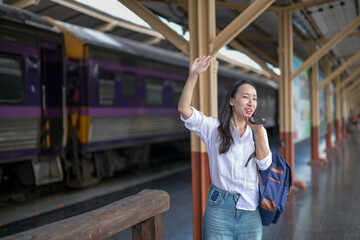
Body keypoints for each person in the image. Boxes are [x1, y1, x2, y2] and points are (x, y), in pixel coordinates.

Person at [178, 55, 272, 240]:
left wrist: (259, 133)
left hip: (249, 207)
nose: (251, 102)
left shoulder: (258, 132)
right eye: (245, 97)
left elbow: (265, 165)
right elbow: (184, 110)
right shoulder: (213, 128)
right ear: (232, 101)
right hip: (219, 207)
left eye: (254, 98)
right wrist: (193, 76)